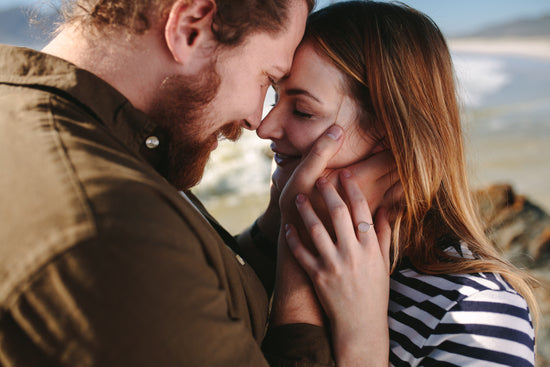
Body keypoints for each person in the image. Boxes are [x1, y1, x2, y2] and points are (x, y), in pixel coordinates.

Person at [0, 0, 381, 365]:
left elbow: (201, 279)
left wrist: (277, 227)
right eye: (266, 78)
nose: (256, 121)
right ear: (190, 26)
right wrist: (336, 322)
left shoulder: (82, 136)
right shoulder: (112, 223)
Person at [257, 1, 538, 366]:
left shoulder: (476, 311)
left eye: (302, 111)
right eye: (274, 97)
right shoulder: (271, 252)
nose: (265, 127)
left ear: (392, 134)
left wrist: (363, 338)